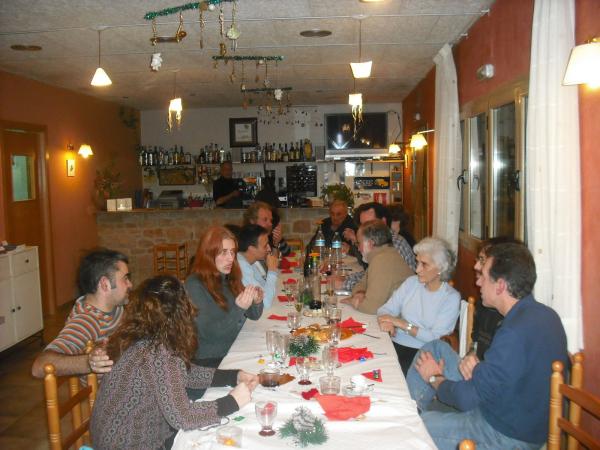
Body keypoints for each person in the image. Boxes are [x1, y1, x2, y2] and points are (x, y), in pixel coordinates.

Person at [411, 243, 568, 450]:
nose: (477, 282)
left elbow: (467, 399)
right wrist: (479, 370)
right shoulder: (545, 314)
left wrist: (435, 378)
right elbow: (508, 373)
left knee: (417, 427)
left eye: (483, 276)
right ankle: (412, 408)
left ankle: (413, 417)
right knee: (435, 348)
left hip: (505, 434)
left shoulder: (513, 333)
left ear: (500, 286)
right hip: (513, 406)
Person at [90, 275, 258, 450]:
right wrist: (232, 401)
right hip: (130, 443)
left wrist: (233, 376)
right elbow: (182, 417)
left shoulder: (139, 335)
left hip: (112, 437)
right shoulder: (159, 351)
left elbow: (183, 374)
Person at [31, 249, 131, 378]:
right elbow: (40, 366)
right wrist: (89, 362)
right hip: (111, 394)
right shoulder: (87, 321)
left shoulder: (116, 307)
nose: (130, 284)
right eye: (125, 279)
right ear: (105, 284)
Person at [377, 237, 460, 375]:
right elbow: (384, 309)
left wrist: (401, 324)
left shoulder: (450, 298)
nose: (417, 269)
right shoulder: (412, 283)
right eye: (417, 262)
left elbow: (436, 339)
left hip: (424, 355)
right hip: (395, 344)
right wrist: (389, 322)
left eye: (424, 264)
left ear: (440, 268)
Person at [185, 226, 263, 369]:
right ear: (209, 254)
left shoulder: (229, 278)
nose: (230, 258)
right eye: (223, 253)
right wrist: (239, 308)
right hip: (211, 360)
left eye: (232, 252)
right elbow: (211, 333)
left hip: (234, 348)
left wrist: (256, 302)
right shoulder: (194, 285)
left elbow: (253, 315)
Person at [339, 201, 417, 292]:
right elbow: (370, 272)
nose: (364, 229)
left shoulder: (394, 243)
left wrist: (344, 283)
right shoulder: (379, 241)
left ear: (383, 222)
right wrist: (346, 279)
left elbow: (379, 281)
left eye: (369, 223)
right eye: (362, 224)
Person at [340, 220, 413, 314]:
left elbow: (370, 308)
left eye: (359, 243)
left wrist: (353, 301)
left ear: (370, 243)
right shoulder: (384, 254)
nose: (358, 248)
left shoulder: (382, 260)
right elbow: (361, 283)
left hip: (403, 321)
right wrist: (359, 294)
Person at [237, 224, 279, 309]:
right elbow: (265, 303)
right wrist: (272, 271)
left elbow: (264, 287)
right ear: (251, 249)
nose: (269, 249)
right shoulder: (241, 266)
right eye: (265, 246)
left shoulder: (251, 261)